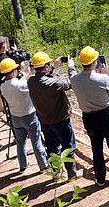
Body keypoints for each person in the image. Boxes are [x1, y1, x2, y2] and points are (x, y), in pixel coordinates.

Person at [70, 46, 109, 186]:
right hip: (107, 114)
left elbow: (73, 75)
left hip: (89, 117)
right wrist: (105, 74)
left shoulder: (74, 80)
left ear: (81, 63)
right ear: (95, 62)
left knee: (96, 147)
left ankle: (100, 178)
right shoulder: (103, 78)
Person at [27, 51, 83, 182]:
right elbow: (70, 83)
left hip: (45, 120)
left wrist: (52, 68)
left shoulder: (31, 82)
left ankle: (57, 174)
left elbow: (45, 77)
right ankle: (72, 173)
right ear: (46, 66)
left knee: (52, 148)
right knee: (68, 146)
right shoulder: (53, 83)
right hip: (61, 119)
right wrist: (71, 67)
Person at [0, 57, 48, 172]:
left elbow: (20, 83)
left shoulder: (3, 86)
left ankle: (23, 165)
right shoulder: (21, 84)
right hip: (29, 116)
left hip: (15, 118)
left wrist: (25, 75)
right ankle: (43, 165)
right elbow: (28, 84)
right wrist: (28, 74)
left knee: (20, 143)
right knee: (36, 142)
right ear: (14, 70)